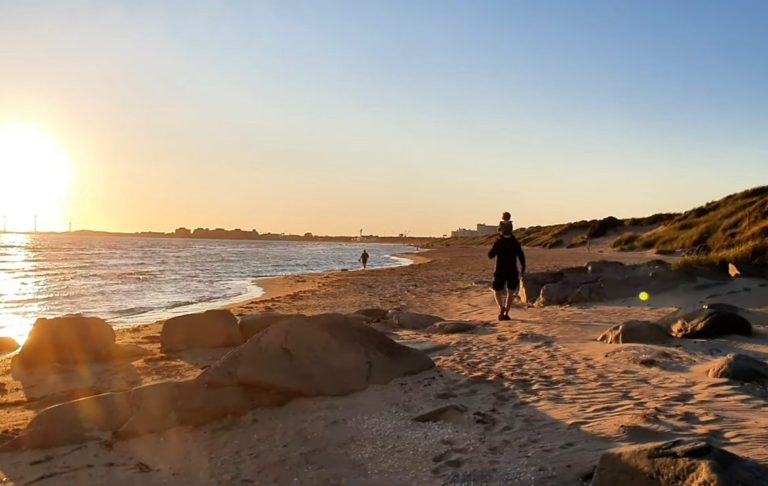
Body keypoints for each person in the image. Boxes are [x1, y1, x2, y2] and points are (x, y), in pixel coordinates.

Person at [488, 225, 526, 321]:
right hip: (512, 270)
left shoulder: (499, 242)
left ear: (501, 231)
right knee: (511, 292)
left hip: (500, 270)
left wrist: (495, 246)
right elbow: (521, 256)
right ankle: (506, 313)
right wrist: (523, 267)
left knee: (496, 290)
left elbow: (490, 255)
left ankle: (501, 307)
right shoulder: (515, 242)